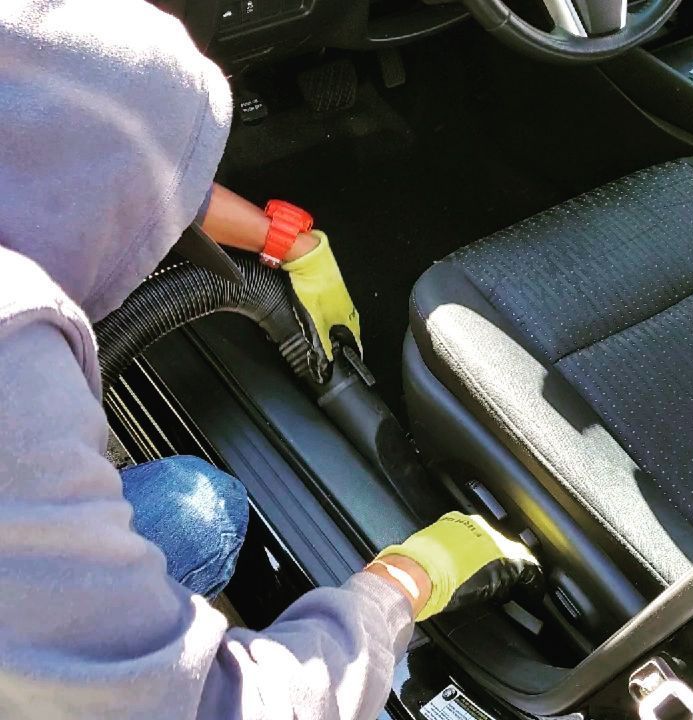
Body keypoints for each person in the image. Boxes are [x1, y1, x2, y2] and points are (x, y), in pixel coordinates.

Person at [0, 2, 540, 718]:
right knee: (206, 513)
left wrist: (283, 240)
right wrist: (407, 581)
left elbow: (96, 157)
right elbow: (219, 706)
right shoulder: (19, 362)